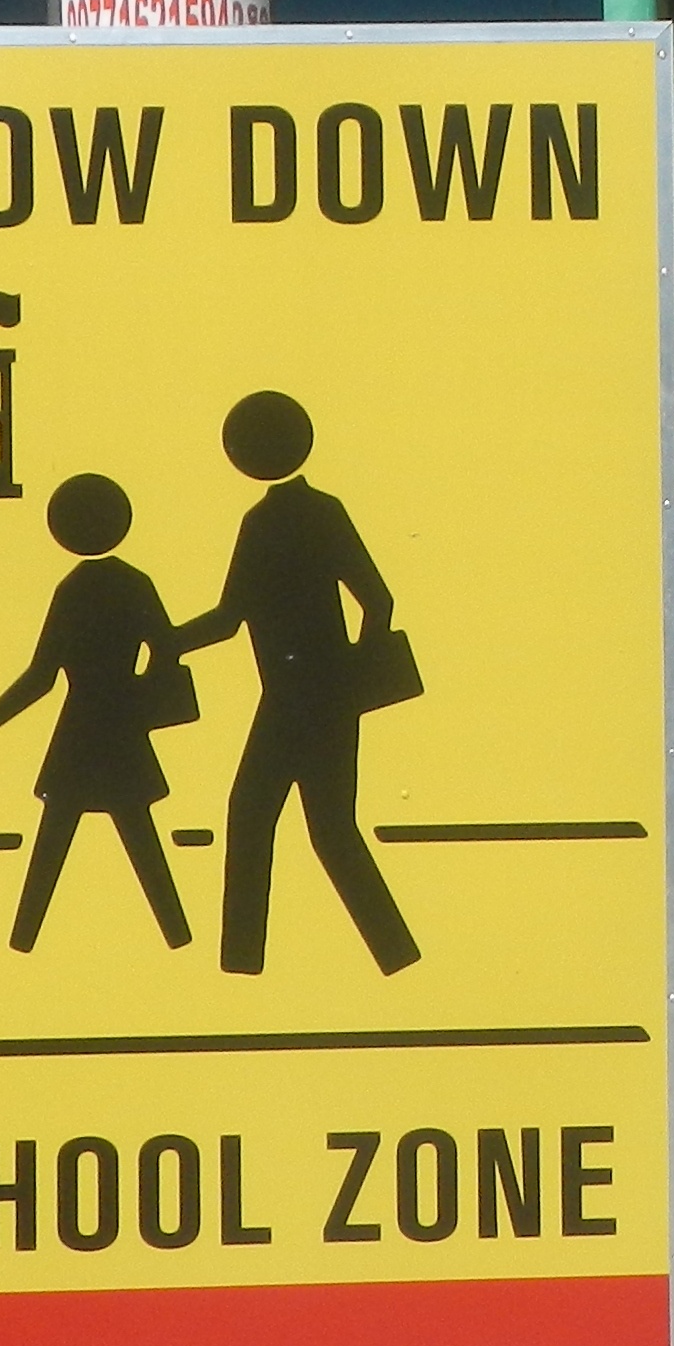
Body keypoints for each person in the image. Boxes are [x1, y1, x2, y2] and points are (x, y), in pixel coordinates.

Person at [171, 391, 420, 978]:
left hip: (287, 699)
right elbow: (377, 600)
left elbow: (229, 617)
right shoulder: (324, 511)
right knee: (328, 829)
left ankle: (242, 961)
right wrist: (352, 673)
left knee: (255, 816)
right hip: (328, 697)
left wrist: (167, 641)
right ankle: (394, 952)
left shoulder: (261, 524)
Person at [0, 473, 195, 955]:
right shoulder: (136, 584)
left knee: (54, 837)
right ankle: (177, 935)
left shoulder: (72, 590)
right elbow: (167, 648)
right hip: (123, 727)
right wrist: (140, 691)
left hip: (78, 730)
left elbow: (43, 673)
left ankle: (23, 938)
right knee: (139, 834)